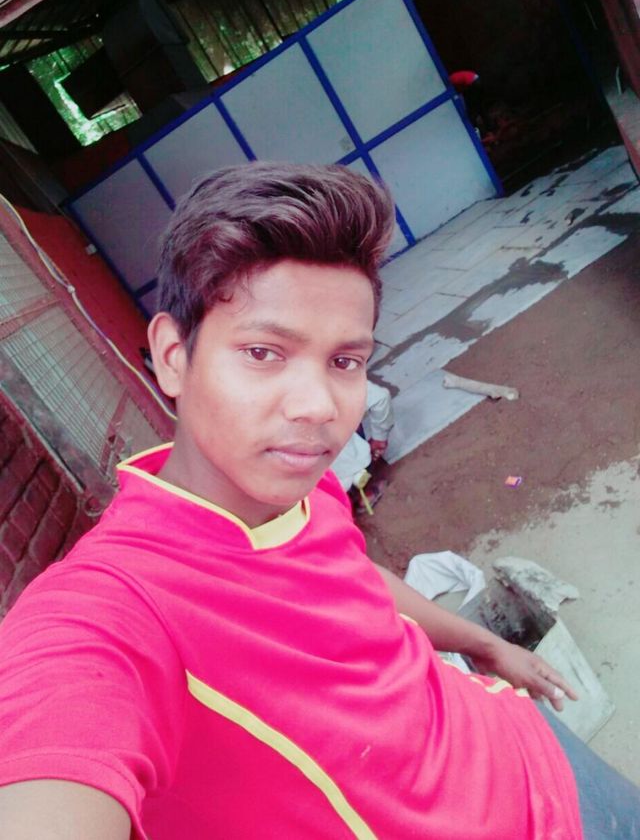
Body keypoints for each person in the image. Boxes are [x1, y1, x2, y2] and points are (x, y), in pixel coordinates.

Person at [0, 161, 637, 839]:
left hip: (526, 744)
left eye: (344, 362)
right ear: (173, 356)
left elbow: (355, 581)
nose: (319, 408)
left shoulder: (309, 487)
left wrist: (487, 646)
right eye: (263, 352)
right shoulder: (112, 612)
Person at [331, 379, 393, 510]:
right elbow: (380, 398)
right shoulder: (328, 379)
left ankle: (342, 511)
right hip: (351, 470)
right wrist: (379, 438)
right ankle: (363, 496)